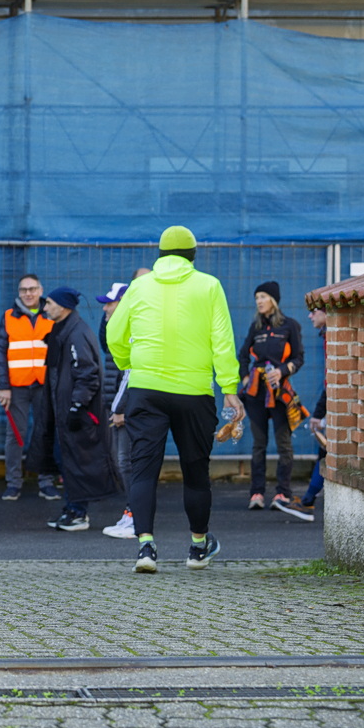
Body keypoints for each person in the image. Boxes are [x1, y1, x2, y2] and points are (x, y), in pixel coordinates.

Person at [107, 226, 244, 573]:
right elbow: (222, 340)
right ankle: (198, 547)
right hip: (194, 392)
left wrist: (128, 363)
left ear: (161, 254)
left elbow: (114, 333)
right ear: (193, 255)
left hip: (145, 389)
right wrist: (229, 388)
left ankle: (145, 547)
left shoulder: (139, 286)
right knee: (195, 470)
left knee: (143, 469)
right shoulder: (209, 286)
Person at [30, 286, 119, 531]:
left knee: (77, 461)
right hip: (62, 410)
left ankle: (79, 513)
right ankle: (72, 508)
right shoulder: (62, 330)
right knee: (65, 460)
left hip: (76, 412)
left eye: (49, 303)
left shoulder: (77, 333)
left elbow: (88, 373)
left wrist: (77, 406)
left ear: (63, 306)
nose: (45, 307)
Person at [237, 281, 306, 514]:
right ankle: (256, 493)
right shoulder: (255, 327)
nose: (259, 301)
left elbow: (299, 358)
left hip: (280, 393)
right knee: (259, 444)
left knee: (283, 444)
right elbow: (243, 356)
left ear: (273, 300)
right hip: (256, 394)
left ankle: (282, 493)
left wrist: (282, 370)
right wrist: (245, 379)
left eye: (263, 296)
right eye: (257, 297)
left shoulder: (289, 326)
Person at [0, 274, 62, 502]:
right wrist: (4, 387)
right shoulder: (8, 317)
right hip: (17, 386)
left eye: (32, 289)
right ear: (19, 293)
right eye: (24, 290)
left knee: (45, 433)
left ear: (40, 290)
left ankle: (46, 482)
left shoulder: (51, 314)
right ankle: (13, 483)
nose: (28, 293)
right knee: (15, 434)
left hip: (44, 385)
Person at [97, 282, 136, 538]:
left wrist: (120, 409)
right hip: (121, 405)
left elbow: (131, 374)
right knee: (124, 462)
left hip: (129, 409)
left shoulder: (132, 331)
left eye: (110, 303)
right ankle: (131, 513)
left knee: (128, 462)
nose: (105, 308)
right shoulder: (116, 328)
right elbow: (105, 341)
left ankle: (136, 517)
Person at [282, 306, 327, 521]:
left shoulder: (334, 337)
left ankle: (308, 502)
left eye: (314, 311)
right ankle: (308, 501)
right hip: (336, 404)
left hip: (340, 405)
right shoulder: (328, 335)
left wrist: (318, 414)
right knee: (325, 453)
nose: (310, 315)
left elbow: (332, 380)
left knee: (328, 454)